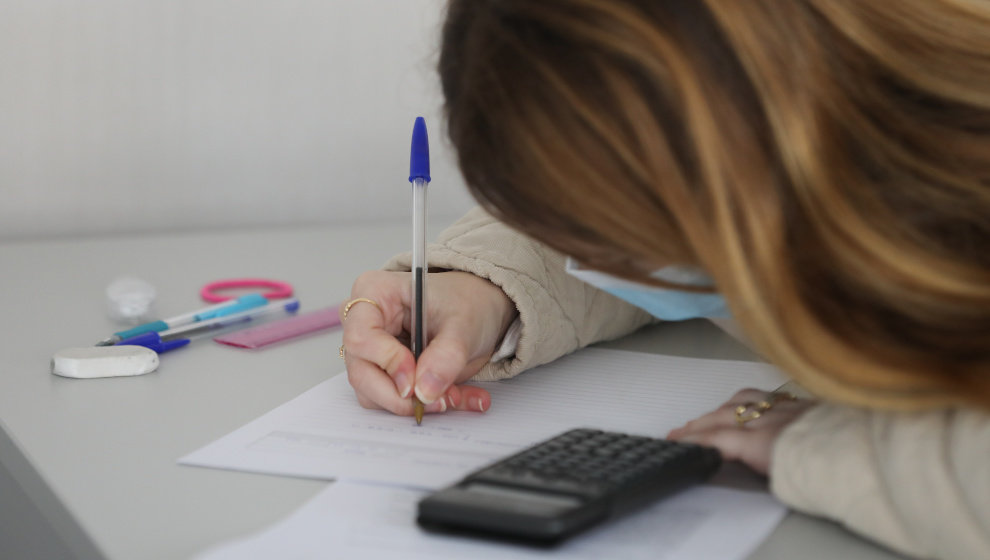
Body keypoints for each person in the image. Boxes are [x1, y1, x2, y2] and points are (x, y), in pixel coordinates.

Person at [339, 1, 990, 558]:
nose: (589, 256)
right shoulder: (784, 143)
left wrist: (828, 448)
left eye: (599, 235)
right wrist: (486, 288)